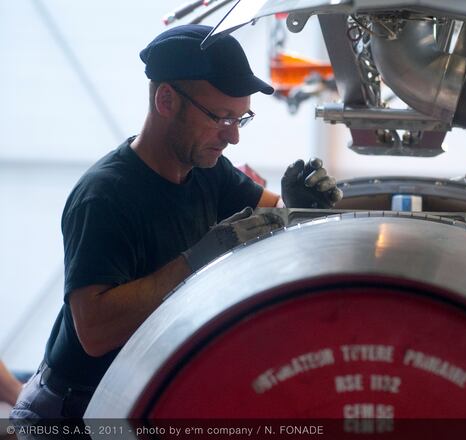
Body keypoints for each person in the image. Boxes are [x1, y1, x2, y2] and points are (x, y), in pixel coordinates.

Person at [11, 24, 342, 421]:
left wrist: (301, 207)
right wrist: (195, 262)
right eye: (220, 117)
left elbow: (273, 218)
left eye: (241, 119)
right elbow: (94, 333)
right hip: (74, 412)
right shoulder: (104, 196)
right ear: (166, 100)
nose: (233, 137)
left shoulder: (208, 170)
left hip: (143, 396)